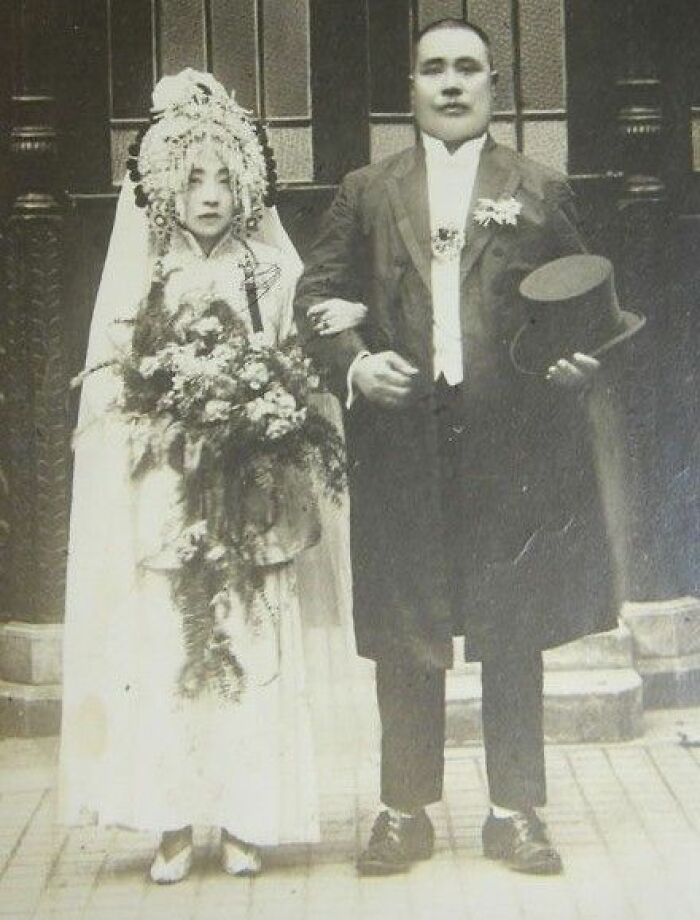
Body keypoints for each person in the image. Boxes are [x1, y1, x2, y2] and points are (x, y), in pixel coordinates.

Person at [295, 18, 640, 876]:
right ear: (410, 88)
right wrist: (357, 363)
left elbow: (589, 304)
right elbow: (316, 297)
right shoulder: (367, 192)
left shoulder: (539, 188)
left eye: (468, 69)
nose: (451, 84)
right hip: (403, 439)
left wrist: (577, 361)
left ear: (494, 85)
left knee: (511, 623)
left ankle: (513, 811)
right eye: (434, 70)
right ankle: (402, 811)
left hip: (513, 441)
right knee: (405, 627)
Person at [58, 69, 327, 883]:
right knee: (172, 646)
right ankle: (171, 822)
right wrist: (168, 416)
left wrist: (266, 407)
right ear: (164, 185)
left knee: (253, 641)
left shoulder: (271, 275)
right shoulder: (144, 278)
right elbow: (114, 382)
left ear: (247, 182)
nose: (209, 195)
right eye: (191, 177)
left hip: (255, 483)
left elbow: (297, 367)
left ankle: (249, 818)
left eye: (223, 177)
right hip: (168, 490)